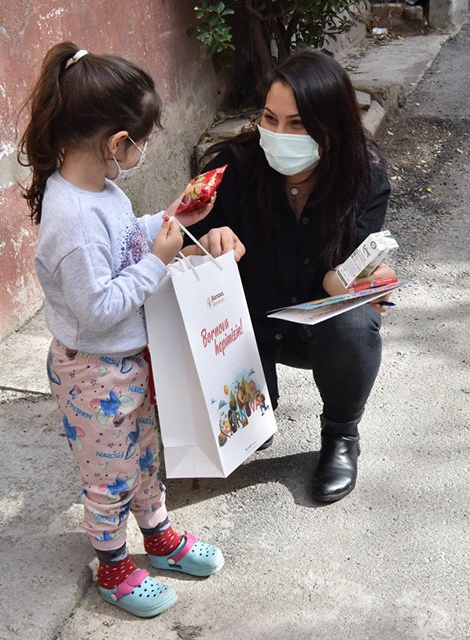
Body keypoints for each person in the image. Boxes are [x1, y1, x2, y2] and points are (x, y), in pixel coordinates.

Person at [18, 43, 225, 618]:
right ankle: (113, 568)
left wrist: (169, 220)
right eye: (141, 140)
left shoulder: (100, 192)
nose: (142, 150)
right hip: (93, 371)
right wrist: (157, 262)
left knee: (144, 458)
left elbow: (123, 238)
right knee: (108, 478)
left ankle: (157, 539)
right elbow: (97, 308)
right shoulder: (70, 221)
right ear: (116, 143)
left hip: (128, 361)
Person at [187, 49, 396, 503]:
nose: (278, 134)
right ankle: (257, 412)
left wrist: (366, 281)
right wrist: (206, 243)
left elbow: (336, 280)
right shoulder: (230, 169)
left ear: (331, 126)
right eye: (270, 117)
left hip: (314, 326)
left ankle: (342, 436)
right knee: (248, 436)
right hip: (244, 327)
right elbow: (172, 246)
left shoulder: (365, 177)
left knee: (355, 321)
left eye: (298, 123)